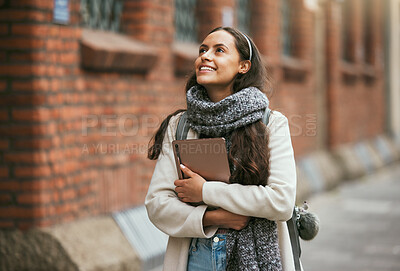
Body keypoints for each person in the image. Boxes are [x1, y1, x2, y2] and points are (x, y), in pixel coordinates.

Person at [145, 26, 297, 271]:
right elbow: (157, 204)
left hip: (258, 254)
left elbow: (281, 201)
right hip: (196, 254)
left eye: (219, 50)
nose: (205, 56)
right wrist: (211, 217)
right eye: (203, 50)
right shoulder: (180, 125)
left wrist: (205, 191)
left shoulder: (271, 124)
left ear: (243, 66)